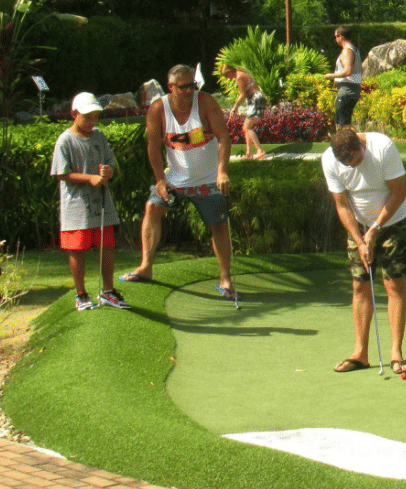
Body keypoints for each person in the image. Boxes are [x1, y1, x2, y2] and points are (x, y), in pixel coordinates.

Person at [120, 64, 236, 300]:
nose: (189, 91)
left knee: (219, 223)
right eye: (183, 87)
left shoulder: (205, 103)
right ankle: (146, 266)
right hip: (175, 179)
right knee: (152, 207)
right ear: (171, 87)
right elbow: (153, 147)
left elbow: (224, 137)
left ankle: (225, 278)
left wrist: (222, 172)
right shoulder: (158, 109)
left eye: (192, 85)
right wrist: (160, 180)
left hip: (207, 179)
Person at [322, 127, 406, 375]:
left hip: (393, 221)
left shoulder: (383, 147)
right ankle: (360, 354)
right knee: (360, 285)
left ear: (361, 146)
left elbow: (399, 192)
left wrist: (375, 229)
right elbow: (342, 204)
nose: (352, 167)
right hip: (359, 227)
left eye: (355, 161)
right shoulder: (329, 160)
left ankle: (396, 353)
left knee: (393, 283)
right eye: (346, 164)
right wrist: (360, 240)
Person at [51, 93, 131, 310]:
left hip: (102, 202)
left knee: (107, 245)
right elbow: (62, 173)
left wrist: (108, 171)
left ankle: (107, 291)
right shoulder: (65, 140)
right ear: (74, 114)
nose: (92, 121)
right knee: (77, 249)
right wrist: (90, 178)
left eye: (95, 116)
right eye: (87, 117)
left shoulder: (99, 136)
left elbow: (110, 164)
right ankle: (81, 294)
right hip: (76, 207)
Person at [323, 26, 363, 131]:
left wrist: (330, 76)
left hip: (346, 91)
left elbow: (348, 71)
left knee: (344, 126)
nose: (335, 39)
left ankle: (360, 140)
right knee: (343, 124)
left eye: (336, 36)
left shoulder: (347, 51)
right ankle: (355, 140)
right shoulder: (355, 50)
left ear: (341, 36)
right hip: (350, 90)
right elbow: (361, 69)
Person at [224, 64, 267, 160]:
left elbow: (242, 95)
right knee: (247, 127)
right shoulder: (242, 73)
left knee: (246, 127)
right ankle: (249, 153)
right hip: (255, 99)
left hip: (255, 99)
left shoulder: (240, 77)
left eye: (227, 76)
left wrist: (234, 107)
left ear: (230, 71)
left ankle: (260, 151)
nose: (228, 78)